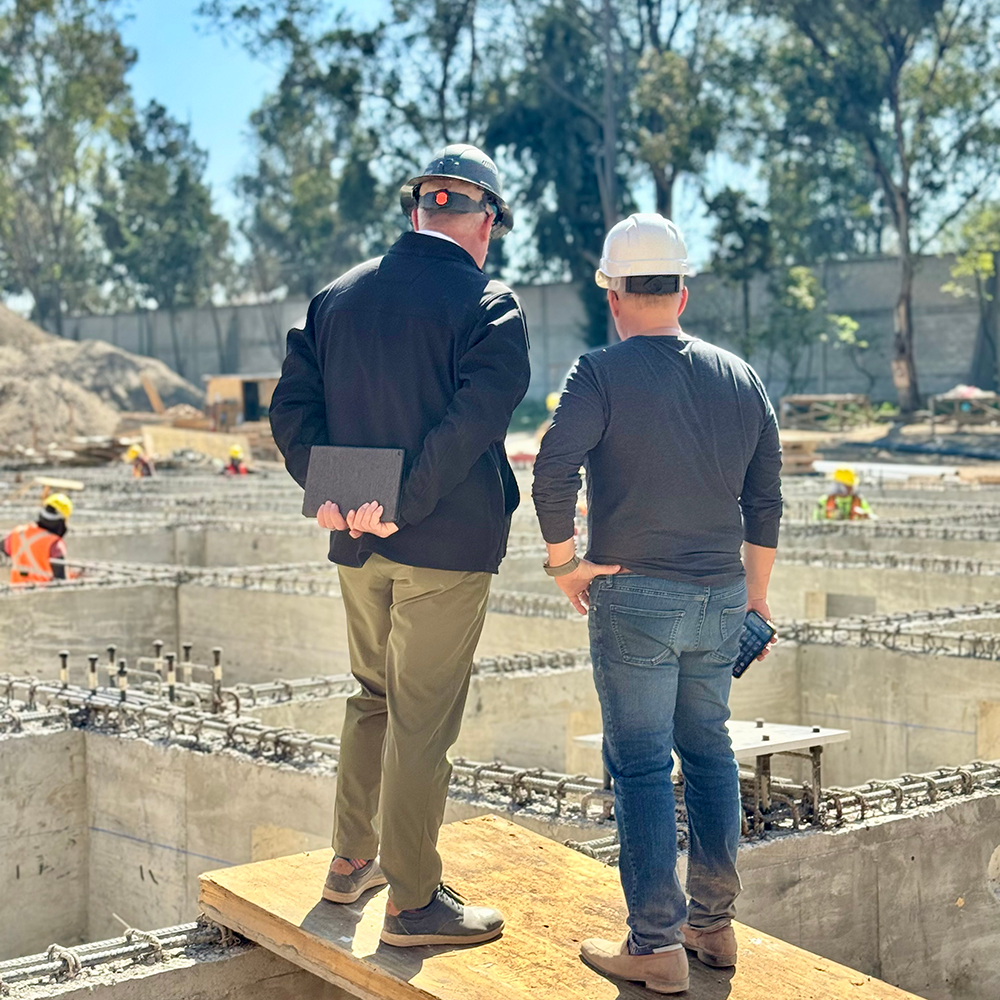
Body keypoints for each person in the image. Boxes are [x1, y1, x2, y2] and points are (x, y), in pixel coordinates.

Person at [269, 143, 530, 948]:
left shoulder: (336, 299)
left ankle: (352, 864)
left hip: (357, 544)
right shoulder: (489, 306)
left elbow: (290, 410)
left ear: (416, 210)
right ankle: (415, 904)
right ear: (484, 220)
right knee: (421, 720)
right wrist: (400, 503)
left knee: (372, 698)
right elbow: (470, 428)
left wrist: (339, 495)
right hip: (443, 551)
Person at [532, 214, 782, 993]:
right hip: (721, 601)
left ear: (613, 295)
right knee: (708, 754)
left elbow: (550, 475)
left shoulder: (599, 374)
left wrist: (565, 565)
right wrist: (758, 604)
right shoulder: (740, 377)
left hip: (634, 598)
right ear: (684, 289)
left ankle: (654, 945)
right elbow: (766, 501)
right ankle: (713, 927)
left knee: (641, 766)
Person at [2, 493, 75, 585]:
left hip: (15, 594)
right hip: (44, 598)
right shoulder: (55, 544)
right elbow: (61, 583)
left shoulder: (17, 533)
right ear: (63, 521)